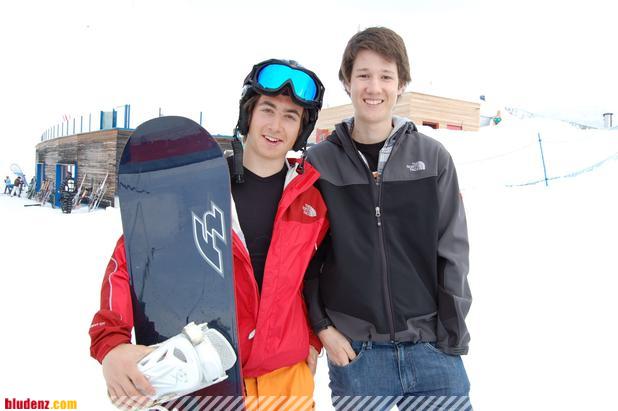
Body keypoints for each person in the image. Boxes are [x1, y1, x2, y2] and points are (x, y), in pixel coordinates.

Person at [89, 58, 328, 410]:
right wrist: (111, 342)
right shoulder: (196, 187)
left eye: (290, 116)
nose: (276, 125)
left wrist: (311, 340)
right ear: (248, 114)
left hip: (288, 382)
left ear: (301, 131)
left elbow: (316, 279)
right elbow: (132, 259)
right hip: (210, 378)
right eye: (267, 109)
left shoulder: (311, 202)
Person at [304, 27, 472, 409]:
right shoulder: (320, 164)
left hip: (430, 349)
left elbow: (453, 252)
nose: (374, 87)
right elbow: (303, 259)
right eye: (363, 75)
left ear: (401, 84)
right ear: (347, 82)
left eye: (386, 76)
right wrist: (322, 328)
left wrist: (450, 335)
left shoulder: (433, 159)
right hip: (357, 355)